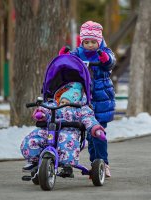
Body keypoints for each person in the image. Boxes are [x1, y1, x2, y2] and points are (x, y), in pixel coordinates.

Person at [59, 21, 116, 177]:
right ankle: (95, 164)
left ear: (99, 41)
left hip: (101, 99)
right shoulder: (78, 53)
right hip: (83, 99)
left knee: (98, 133)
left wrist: (104, 59)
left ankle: (104, 162)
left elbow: (110, 61)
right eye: (86, 42)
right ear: (82, 41)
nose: (90, 45)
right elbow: (68, 62)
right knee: (90, 136)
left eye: (93, 42)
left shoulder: (104, 51)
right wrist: (63, 57)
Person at [20, 82, 106, 177]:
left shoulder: (81, 109)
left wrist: (96, 129)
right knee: (34, 137)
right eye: (62, 102)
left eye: (67, 103)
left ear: (75, 102)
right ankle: (34, 160)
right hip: (50, 131)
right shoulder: (54, 106)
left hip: (69, 131)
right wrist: (41, 114)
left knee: (67, 140)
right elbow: (46, 109)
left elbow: (89, 119)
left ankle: (67, 165)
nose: (63, 105)